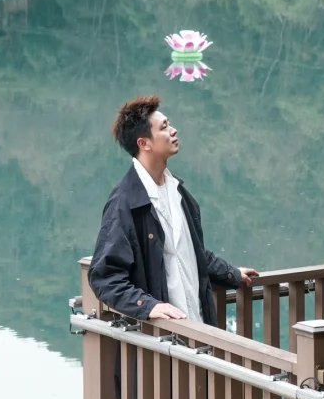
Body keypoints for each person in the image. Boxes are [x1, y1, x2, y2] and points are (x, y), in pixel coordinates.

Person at [89, 94, 259, 322]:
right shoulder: (124, 203)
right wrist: (147, 305)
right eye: (164, 127)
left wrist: (231, 273)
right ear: (144, 143)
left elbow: (192, 251)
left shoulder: (178, 191)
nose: (174, 130)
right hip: (162, 336)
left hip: (197, 326)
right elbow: (105, 278)